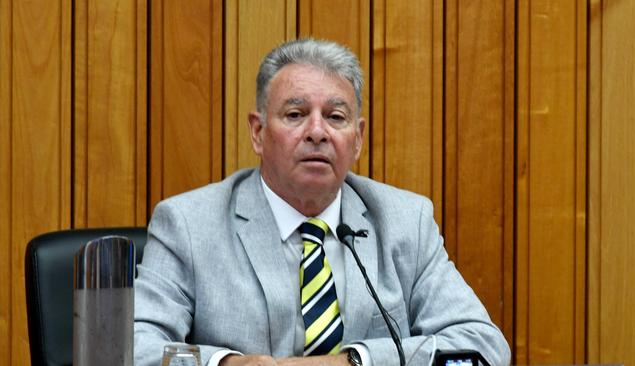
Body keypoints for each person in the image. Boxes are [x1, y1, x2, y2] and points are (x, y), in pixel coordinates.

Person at [134, 38, 511, 366]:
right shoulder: (188, 224)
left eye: (335, 117)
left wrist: (356, 360)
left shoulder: (405, 222)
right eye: (295, 115)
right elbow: (133, 347)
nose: (317, 132)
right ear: (258, 132)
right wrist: (228, 364)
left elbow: (482, 346)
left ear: (358, 138)